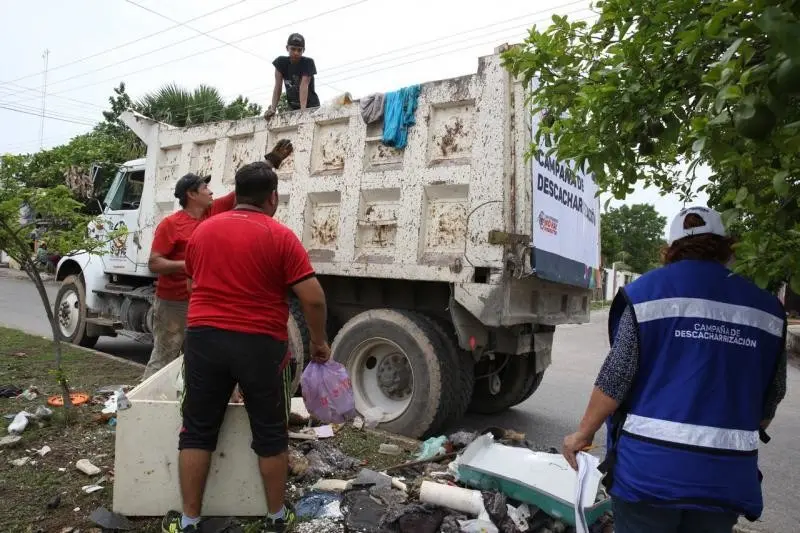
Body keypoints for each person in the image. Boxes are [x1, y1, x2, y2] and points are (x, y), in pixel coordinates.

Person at [562, 206, 788, 533]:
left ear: (671, 249)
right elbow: (770, 400)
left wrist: (581, 434)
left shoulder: (648, 294)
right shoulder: (766, 309)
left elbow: (616, 378)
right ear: (725, 246)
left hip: (649, 476)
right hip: (725, 480)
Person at [161, 161, 330, 533]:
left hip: (205, 340)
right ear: (273, 197)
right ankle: (274, 518)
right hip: (261, 344)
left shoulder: (203, 231)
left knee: (197, 430)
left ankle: (188, 521)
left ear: (236, 194)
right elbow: (313, 298)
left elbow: (191, 285)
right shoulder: (280, 235)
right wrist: (319, 342)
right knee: (270, 432)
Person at [141, 140, 294, 381]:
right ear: (191, 195)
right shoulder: (171, 224)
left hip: (202, 302)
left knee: (196, 358)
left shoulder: (214, 212)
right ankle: (142, 406)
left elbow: (245, 189)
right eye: (205, 188)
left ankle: (183, 405)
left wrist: (271, 162)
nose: (211, 191)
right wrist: (191, 264)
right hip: (174, 303)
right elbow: (155, 263)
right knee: (164, 354)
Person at [264, 33, 320, 120]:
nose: (296, 53)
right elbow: (278, 87)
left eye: (299, 50)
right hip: (293, 107)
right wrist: (273, 109)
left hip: (311, 107)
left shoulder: (308, 63)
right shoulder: (280, 62)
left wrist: (303, 112)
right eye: (293, 49)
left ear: (303, 50)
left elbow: (303, 86)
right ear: (287, 48)